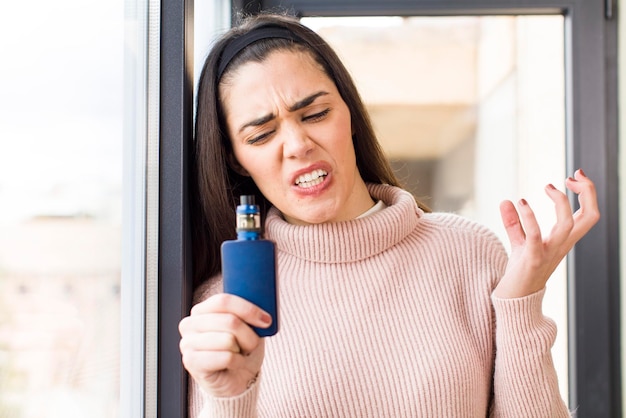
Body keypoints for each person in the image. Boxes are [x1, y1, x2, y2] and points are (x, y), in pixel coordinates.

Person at [178, 12, 599, 418]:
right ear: (235, 160)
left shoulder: (469, 253)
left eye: (316, 114)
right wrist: (230, 399)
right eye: (262, 134)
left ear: (351, 116)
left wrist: (521, 303)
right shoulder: (221, 311)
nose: (297, 144)